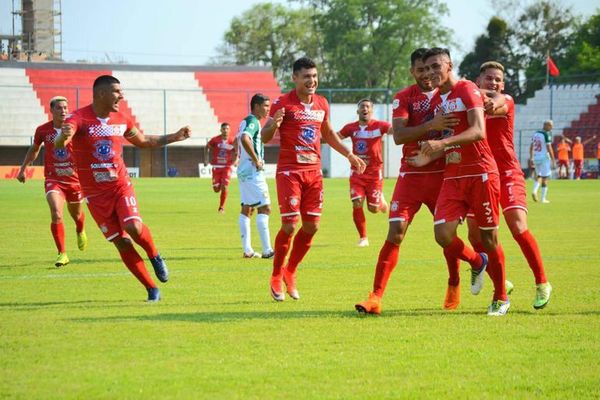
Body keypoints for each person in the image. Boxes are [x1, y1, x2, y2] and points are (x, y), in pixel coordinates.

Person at [55, 75, 191, 302]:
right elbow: (63, 138)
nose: (121, 95)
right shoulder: (78, 118)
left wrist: (174, 137)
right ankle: (151, 288)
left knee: (133, 227)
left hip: (120, 187)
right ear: (101, 94)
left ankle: (155, 255)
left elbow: (144, 141)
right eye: (117, 91)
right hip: (96, 196)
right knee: (122, 241)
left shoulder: (122, 120)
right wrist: (62, 138)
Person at [355, 48, 462, 314]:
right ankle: (375, 297)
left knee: (447, 237)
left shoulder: (450, 94)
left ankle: (454, 281)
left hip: (442, 177)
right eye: (421, 69)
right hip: (411, 175)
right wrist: (431, 124)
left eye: (430, 69)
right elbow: (400, 136)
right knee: (395, 232)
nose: (427, 74)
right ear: (412, 70)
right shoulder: (403, 98)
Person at [261, 57, 366, 301]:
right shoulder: (282, 103)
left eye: (315, 76)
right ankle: (276, 275)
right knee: (289, 225)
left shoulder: (321, 103)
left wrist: (349, 154)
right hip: (290, 172)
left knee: (312, 226)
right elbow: (266, 137)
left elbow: (328, 133)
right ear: (295, 78)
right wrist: (273, 126)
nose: (312, 81)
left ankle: (291, 272)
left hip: (314, 173)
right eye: (306, 76)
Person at [420, 48, 509, 316]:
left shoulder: (467, 89)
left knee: (488, 237)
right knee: (442, 234)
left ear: (450, 65)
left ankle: (501, 297)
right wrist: (429, 152)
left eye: (437, 66)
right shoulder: (438, 100)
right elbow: (448, 133)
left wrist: (442, 142)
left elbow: (478, 130)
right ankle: (477, 261)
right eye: (427, 68)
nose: (432, 72)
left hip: (481, 172)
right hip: (454, 175)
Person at [467, 61, 552, 309]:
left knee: (517, 225)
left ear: (502, 84)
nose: (494, 83)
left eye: (498, 80)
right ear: (480, 80)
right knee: (475, 234)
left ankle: (542, 282)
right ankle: (501, 283)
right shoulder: (469, 105)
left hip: (506, 173)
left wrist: (470, 90)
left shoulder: (507, 101)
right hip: (482, 175)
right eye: (489, 79)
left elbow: (497, 105)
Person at [17, 96, 88, 267]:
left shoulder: (74, 129)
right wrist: (23, 168)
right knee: (56, 212)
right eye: (59, 108)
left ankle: (80, 229)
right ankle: (62, 253)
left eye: (65, 107)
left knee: (77, 215)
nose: (63, 111)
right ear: (52, 110)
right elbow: (34, 149)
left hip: (75, 180)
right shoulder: (43, 130)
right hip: (53, 179)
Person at [337, 99, 391, 247]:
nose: (365, 109)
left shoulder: (380, 126)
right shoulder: (351, 128)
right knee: (356, 202)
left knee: (373, 209)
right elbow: (334, 138)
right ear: (358, 111)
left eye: (368, 107)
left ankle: (380, 201)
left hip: (374, 173)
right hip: (357, 172)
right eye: (362, 107)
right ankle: (363, 238)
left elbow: (396, 131)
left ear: (371, 110)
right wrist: (315, 140)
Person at [236, 93, 275, 259]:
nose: (268, 109)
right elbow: (245, 138)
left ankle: (248, 250)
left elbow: (239, 139)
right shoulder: (253, 121)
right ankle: (267, 250)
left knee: (247, 208)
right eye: (265, 106)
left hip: (243, 171)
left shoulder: (244, 121)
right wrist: (256, 159)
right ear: (256, 106)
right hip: (252, 171)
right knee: (265, 207)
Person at [205, 123, 237, 213]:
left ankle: (221, 207)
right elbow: (206, 147)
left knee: (225, 186)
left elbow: (237, 151)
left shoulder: (233, 140)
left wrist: (236, 161)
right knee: (216, 189)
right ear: (221, 130)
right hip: (216, 167)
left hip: (227, 167)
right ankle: (217, 187)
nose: (225, 130)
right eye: (223, 129)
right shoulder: (215, 140)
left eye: (227, 129)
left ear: (229, 130)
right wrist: (206, 159)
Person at [530, 120, 555, 203]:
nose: (552, 127)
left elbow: (531, 146)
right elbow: (549, 147)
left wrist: (531, 157)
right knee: (545, 177)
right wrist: (553, 159)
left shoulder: (536, 133)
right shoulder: (546, 134)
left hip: (536, 157)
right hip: (544, 158)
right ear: (546, 125)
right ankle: (543, 199)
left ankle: (534, 190)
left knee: (538, 175)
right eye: (551, 126)